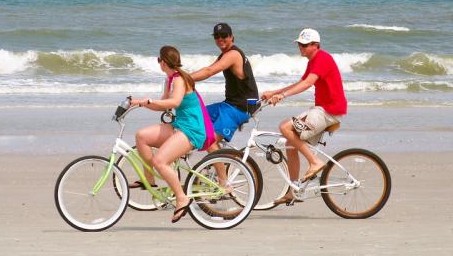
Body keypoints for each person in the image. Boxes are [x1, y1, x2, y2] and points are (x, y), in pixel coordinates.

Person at [261, 28, 347, 205]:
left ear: (316, 45)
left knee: (285, 127)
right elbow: (300, 82)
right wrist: (274, 92)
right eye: (299, 44)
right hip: (322, 109)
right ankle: (293, 192)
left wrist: (282, 96)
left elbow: (307, 84)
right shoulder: (313, 61)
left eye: (305, 45)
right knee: (290, 144)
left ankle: (315, 162)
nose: (300, 47)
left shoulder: (322, 58)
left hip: (328, 111)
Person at [129, 45, 206, 223]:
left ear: (163, 62)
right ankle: (148, 181)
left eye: (158, 60)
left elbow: (175, 101)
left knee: (160, 161)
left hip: (191, 129)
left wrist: (147, 101)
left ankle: (181, 197)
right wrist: (140, 103)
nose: (159, 63)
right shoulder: (169, 80)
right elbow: (164, 104)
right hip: (179, 125)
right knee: (141, 136)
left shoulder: (180, 79)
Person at [190, 23, 259, 152]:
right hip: (229, 104)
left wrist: (183, 78)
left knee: (209, 142)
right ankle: (223, 157)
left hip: (241, 107)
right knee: (195, 116)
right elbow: (206, 70)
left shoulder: (233, 54)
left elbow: (209, 71)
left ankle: (222, 171)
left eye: (224, 35)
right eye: (217, 36)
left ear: (232, 37)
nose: (220, 39)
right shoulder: (224, 55)